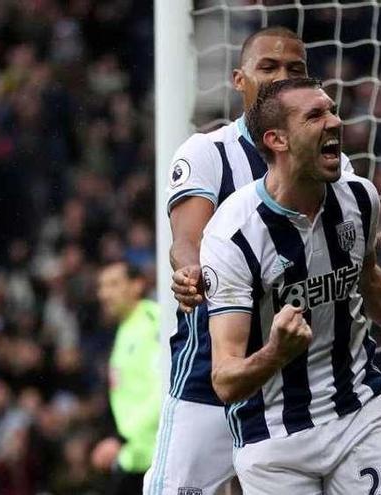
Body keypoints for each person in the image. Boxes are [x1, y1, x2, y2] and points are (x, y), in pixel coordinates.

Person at [199, 78, 381, 494]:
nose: (334, 122)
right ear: (277, 140)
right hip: (273, 440)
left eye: (332, 110)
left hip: (359, 413)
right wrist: (276, 351)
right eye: (315, 115)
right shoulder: (233, 237)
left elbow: (366, 276)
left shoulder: (361, 200)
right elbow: (225, 380)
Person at [147, 26, 352, 495]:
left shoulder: (333, 163)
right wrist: (189, 271)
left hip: (302, 388)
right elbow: (187, 239)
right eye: (268, 67)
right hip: (210, 378)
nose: (282, 77)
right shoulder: (209, 152)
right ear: (240, 80)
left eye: (295, 69)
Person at [93, 261, 161, 495]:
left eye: (113, 284)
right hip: (132, 458)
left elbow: (163, 388)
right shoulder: (125, 328)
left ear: (137, 285)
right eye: (101, 286)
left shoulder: (154, 322)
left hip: (154, 458)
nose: (103, 294)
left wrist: (120, 438)